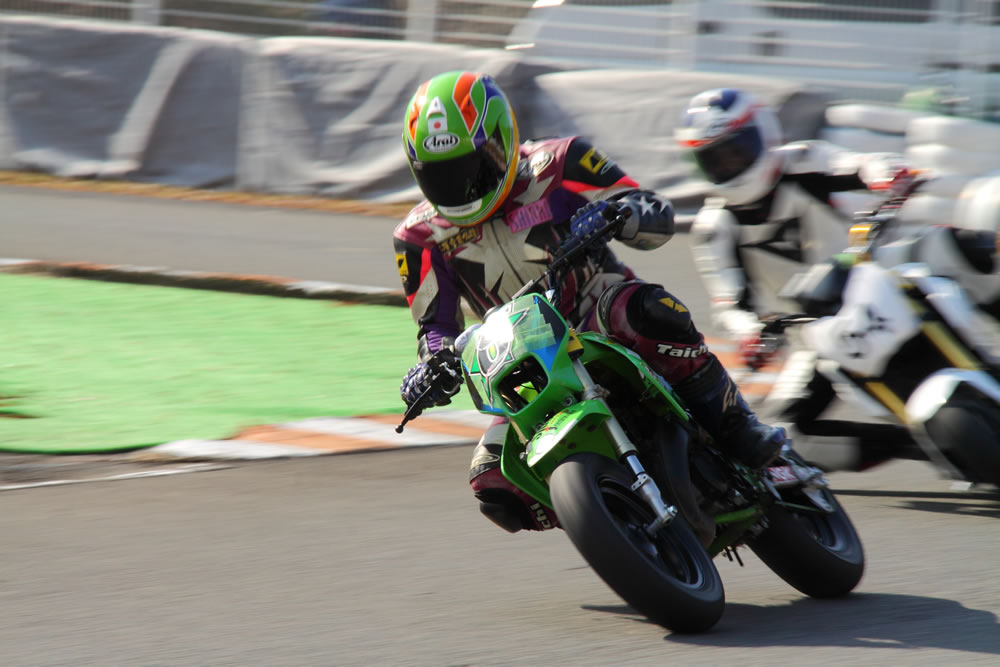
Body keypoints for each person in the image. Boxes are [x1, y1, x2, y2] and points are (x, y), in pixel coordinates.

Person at [394, 71, 787, 534]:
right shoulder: (417, 237)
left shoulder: (561, 161)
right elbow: (434, 326)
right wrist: (433, 365)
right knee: (493, 483)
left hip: (599, 312)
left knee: (646, 313)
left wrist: (615, 212)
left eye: (471, 166)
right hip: (524, 360)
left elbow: (652, 209)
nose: (460, 185)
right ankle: (616, 517)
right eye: (439, 175)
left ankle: (737, 424)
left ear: (502, 139)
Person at [675, 87, 921, 473]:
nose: (728, 164)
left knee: (953, 251)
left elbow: (858, 165)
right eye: (715, 159)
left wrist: (885, 173)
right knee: (784, 438)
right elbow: (730, 304)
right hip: (818, 337)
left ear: (763, 134)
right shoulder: (713, 227)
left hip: (878, 289)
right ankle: (920, 444)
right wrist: (751, 333)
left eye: (735, 150)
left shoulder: (803, 160)